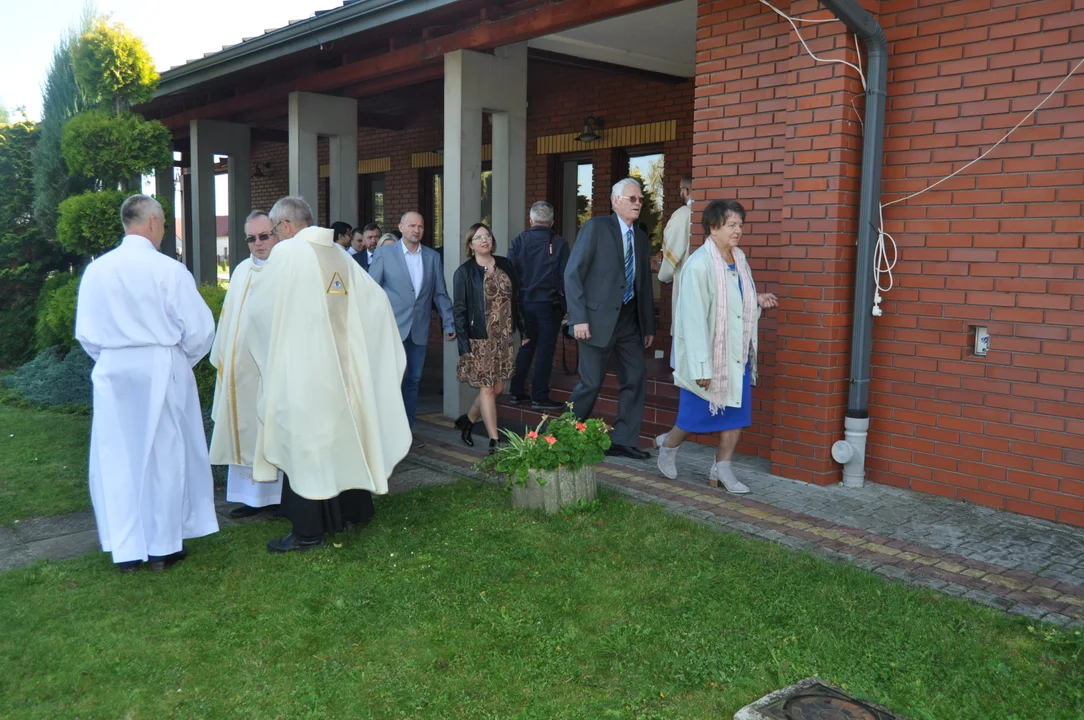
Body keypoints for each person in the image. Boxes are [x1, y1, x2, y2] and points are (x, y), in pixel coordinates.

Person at [245, 196, 410, 553]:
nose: (272, 237)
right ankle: (351, 512)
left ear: (286, 226)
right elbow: (377, 303)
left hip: (304, 373)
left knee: (305, 447)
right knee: (341, 438)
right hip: (344, 373)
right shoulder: (338, 254)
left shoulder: (287, 254)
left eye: (273, 230)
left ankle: (307, 532)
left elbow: (258, 312)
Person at [74, 194, 218, 573]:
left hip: (113, 368)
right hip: (160, 363)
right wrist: (176, 360)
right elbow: (201, 330)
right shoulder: (169, 270)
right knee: (165, 455)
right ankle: (163, 546)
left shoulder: (97, 271)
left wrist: (113, 359)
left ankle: (125, 549)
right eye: (165, 223)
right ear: (153, 222)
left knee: (117, 456)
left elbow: (86, 334)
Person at [655, 199, 778, 493]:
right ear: (713, 227)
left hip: (736, 354)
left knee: (735, 414)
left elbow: (736, 304)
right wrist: (701, 366)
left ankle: (722, 469)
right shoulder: (698, 265)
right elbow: (693, 321)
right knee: (694, 416)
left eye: (740, 225)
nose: (738, 231)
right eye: (731, 225)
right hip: (708, 357)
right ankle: (668, 446)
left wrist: (757, 302)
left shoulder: (739, 259)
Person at [564, 178, 655, 460]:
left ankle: (623, 440)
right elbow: (573, 274)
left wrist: (648, 325)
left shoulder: (640, 236)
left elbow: (644, 285)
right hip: (594, 321)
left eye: (641, 199)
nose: (638, 203)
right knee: (590, 383)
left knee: (636, 378)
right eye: (632, 198)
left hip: (629, 321)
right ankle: (564, 437)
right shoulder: (596, 228)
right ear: (616, 201)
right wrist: (578, 318)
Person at [208, 209, 283, 519]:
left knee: (272, 432)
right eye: (251, 238)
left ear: (277, 233)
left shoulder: (286, 269)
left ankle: (282, 498)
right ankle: (251, 499)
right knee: (244, 429)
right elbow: (229, 323)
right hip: (241, 373)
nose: (257, 243)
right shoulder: (240, 271)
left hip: (273, 371)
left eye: (264, 236)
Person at [368, 211, 456, 447]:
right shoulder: (385, 253)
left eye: (421, 226)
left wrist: (448, 322)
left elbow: (440, 293)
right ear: (401, 227)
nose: (417, 230)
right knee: (391, 380)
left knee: (413, 381)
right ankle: (385, 433)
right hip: (390, 329)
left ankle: (406, 432)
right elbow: (370, 290)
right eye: (412, 226)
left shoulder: (432, 257)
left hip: (419, 330)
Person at [452, 223, 525, 452]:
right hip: (480, 340)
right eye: (479, 237)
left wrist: (524, 330)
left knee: (497, 388)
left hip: (504, 337)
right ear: (471, 245)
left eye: (488, 236)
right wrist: (464, 346)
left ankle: (469, 421)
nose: (485, 240)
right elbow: (460, 311)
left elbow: (517, 299)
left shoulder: (505, 264)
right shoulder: (464, 272)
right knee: (486, 388)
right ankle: (494, 441)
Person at [507, 201, 569, 411]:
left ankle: (516, 391)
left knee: (526, 345)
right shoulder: (559, 243)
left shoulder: (518, 241)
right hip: (549, 304)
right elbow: (565, 275)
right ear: (552, 222)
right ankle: (539, 396)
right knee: (545, 349)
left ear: (531, 221)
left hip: (524, 303)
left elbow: (509, 272)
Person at [658, 175, 694, 370]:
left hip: (685, 278)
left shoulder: (683, 215)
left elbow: (673, 249)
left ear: (687, 191)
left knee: (684, 327)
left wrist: (663, 274)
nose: (680, 193)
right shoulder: (711, 212)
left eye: (681, 189)